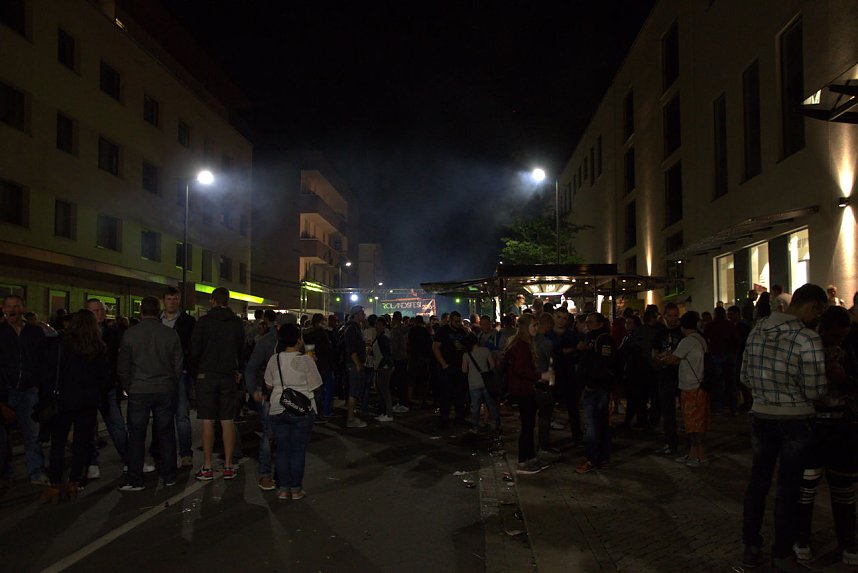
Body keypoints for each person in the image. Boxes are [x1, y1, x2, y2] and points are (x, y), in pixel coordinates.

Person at [740, 283, 828, 571]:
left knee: (758, 484)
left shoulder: (756, 331)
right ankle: (782, 553)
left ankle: (751, 546)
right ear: (813, 306)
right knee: (788, 488)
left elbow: (745, 376)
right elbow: (815, 390)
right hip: (796, 419)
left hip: (762, 416)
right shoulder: (807, 339)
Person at [793, 305, 858, 566]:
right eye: (835, 336)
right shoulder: (810, 348)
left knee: (844, 488)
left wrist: (845, 379)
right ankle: (802, 539)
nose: (838, 341)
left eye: (843, 336)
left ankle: (848, 543)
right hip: (815, 424)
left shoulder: (849, 350)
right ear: (823, 329)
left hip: (842, 425)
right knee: (807, 486)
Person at [40, 310, 110, 503]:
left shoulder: (61, 344)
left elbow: (49, 371)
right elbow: (105, 378)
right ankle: (74, 481)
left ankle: (55, 483)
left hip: (63, 399)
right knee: (81, 442)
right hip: (87, 401)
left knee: (58, 443)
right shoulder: (97, 346)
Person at [117, 297, 183, 491]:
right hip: (163, 388)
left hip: (139, 389)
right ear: (158, 310)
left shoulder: (130, 334)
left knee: (136, 435)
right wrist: (172, 382)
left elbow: (123, 366)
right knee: (166, 433)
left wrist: (128, 386)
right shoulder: (169, 334)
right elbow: (178, 363)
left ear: (141, 311)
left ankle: (135, 478)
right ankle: (169, 475)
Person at [188, 287, 245, 481]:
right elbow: (241, 349)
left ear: (212, 300)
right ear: (227, 301)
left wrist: (196, 372)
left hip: (207, 374)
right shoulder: (236, 323)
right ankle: (228, 465)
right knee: (227, 420)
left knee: (207, 420)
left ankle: (207, 466)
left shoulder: (203, 322)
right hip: (228, 374)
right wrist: (238, 371)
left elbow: (194, 350)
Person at [263, 323, 322, 501]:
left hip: (278, 407)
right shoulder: (305, 360)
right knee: (297, 451)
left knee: (282, 450)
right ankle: (296, 490)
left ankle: (283, 489)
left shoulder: (275, 359)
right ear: (298, 339)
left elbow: (268, 384)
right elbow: (317, 385)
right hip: (301, 410)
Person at [0, 294, 49, 484]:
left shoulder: (34, 332)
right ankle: (5, 469)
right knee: (3, 437)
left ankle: (36, 471)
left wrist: (38, 384)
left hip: (29, 391)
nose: (13, 310)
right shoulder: (1, 332)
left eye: (17, 306)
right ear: (4, 309)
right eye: (9, 306)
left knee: (32, 434)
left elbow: (43, 359)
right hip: (5, 391)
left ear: (23, 308)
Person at [245, 312, 293, 491]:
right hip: (270, 396)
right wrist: (254, 390)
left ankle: (282, 474)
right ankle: (265, 474)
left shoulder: (297, 341)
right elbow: (251, 367)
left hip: (290, 396)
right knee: (269, 434)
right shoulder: (266, 342)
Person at [84, 298, 129, 480]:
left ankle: (129, 459)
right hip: (87, 388)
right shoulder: (83, 335)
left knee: (117, 425)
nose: (99, 314)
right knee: (88, 428)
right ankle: (92, 462)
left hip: (108, 386)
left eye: (101, 310)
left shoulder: (112, 333)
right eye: (95, 311)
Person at [662, 311, 710, 466]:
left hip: (691, 387)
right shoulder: (700, 339)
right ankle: (693, 454)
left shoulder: (688, 341)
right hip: (701, 385)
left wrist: (660, 358)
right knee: (696, 422)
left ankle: (700, 456)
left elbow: (673, 360)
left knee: (693, 423)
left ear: (683, 326)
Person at [159, 286, 196, 468]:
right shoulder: (157, 321)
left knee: (181, 415)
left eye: (175, 299)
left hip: (180, 373)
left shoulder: (187, 321)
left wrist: (187, 368)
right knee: (163, 414)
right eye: (169, 299)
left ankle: (185, 453)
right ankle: (163, 451)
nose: (172, 302)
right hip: (160, 373)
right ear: (163, 301)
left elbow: (192, 346)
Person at [505, 314, 547, 475]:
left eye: (537, 325)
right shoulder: (521, 345)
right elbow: (521, 369)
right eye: (533, 325)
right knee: (527, 426)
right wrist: (541, 376)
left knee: (528, 425)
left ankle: (529, 458)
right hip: (523, 390)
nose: (536, 328)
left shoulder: (521, 343)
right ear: (525, 327)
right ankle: (523, 461)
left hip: (523, 389)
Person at [575, 313, 616, 474]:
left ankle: (593, 458)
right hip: (593, 386)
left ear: (600, 323)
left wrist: (591, 383)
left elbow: (604, 364)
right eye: (586, 322)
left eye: (590, 322)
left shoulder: (604, 340)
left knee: (593, 425)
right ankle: (602, 457)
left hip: (597, 388)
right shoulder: (588, 338)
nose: (587, 325)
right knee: (600, 424)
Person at [652, 303, 683, 455]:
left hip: (682, 375)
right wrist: (659, 359)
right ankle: (671, 442)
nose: (673, 319)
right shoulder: (660, 333)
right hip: (665, 375)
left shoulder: (683, 332)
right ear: (664, 317)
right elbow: (654, 352)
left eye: (675, 316)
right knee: (667, 411)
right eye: (669, 316)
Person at [433, 310, 468, 427]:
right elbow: (435, 347)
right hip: (448, 367)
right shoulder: (443, 331)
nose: (459, 324)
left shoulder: (462, 331)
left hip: (459, 367)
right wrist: (443, 364)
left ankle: (459, 416)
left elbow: (467, 346)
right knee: (446, 393)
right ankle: (444, 417)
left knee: (459, 393)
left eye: (460, 321)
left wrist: (462, 346)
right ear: (451, 321)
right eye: (456, 321)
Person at [462, 333, 499, 434]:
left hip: (473, 383)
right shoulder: (486, 350)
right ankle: (496, 424)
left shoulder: (466, 354)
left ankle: (474, 427)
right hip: (486, 382)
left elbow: (464, 370)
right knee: (491, 404)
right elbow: (492, 366)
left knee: (476, 406)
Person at [302, 313, 335, 418]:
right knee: (327, 389)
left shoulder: (306, 333)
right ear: (321, 321)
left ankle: (314, 411)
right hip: (325, 364)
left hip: (312, 364)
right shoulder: (323, 333)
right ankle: (324, 411)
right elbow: (328, 349)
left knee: (314, 389)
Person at [342, 305, 368, 428]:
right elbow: (351, 349)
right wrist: (357, 363)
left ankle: (351, 413)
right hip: (353, 364)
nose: (364, 315)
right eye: (362, 313)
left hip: (355, 363)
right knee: (354, 390)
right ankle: (350, 419)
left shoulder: (355, 328)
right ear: (357, 315)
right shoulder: (352, 329)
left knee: (356, 390)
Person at [372, 316, 394, 422]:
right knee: (380, 390)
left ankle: (388, 414)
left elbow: (387, 354)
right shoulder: (379, 337)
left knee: (384, 390)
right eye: (376, 324)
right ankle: (384, 412)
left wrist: (382, 365)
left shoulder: (383, 338)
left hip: (383, 368)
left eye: (379, 325)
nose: (377, 327)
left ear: (384, 326)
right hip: (380, 366)